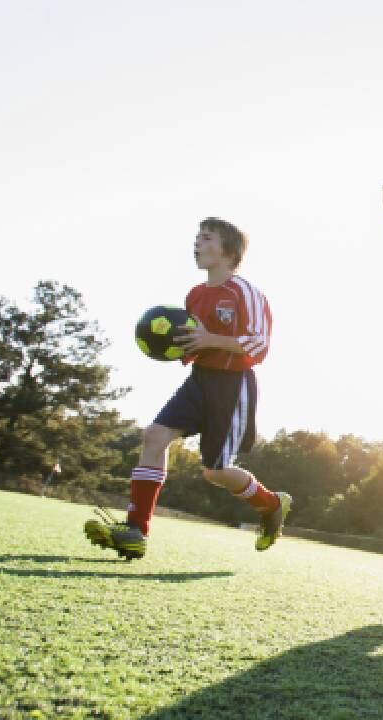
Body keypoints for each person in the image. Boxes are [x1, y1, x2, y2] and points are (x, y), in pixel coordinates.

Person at [85, 217, 289, 559]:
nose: (197, 244)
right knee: (154, 436)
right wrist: (176, 345)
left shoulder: (246, 292)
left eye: (206, 238)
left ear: (228, 250)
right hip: (199, 380)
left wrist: (210, 339)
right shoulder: (195, 295)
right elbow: (192, 342)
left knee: (216, 472)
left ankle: (270, 505)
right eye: (196, 238)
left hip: (232, 385)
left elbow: (259, 343)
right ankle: (136, 530)